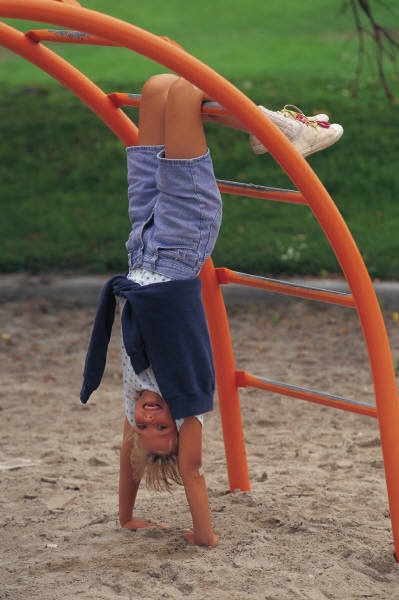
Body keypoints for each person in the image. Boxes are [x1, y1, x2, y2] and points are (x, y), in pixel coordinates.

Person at [80, 74, 343, 548]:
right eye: (162, 426)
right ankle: (283, 131)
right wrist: (204, 535)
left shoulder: (134, 400)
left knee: (159, 85)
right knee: (187, 92)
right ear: (178, 430)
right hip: (184, 235)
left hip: (142, 237)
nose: (151, 414)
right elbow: (193, 471)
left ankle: (275, 128)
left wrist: (127, 517)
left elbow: (129, 460)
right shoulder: (189, 402)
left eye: (144, 426)